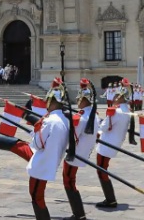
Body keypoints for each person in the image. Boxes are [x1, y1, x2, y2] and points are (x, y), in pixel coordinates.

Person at [26, 78, 70, 220]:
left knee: (36, 197)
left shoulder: (50, 121)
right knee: (37, 196)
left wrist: (36, 130)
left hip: (42, 165)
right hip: (50, 161)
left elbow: (37, 144)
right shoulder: (64, 120)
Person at [63, 78, 101, 220]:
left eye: (79, 98)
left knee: (68, 181)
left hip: (74, 154)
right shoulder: (94, 115)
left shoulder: (81, 117)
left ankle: (78, 214)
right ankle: (78, 213)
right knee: (70, 180)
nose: (77, 100)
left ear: (84, 99)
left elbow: (72, 137)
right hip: (84, 152)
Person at [94, 79, 132, 209]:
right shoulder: (127, 110)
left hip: (107, 143)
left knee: (101, 170)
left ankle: (110, 199)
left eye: (116, 96)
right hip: (115, 142)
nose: (114, 98)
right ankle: (110, 198)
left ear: (120, 97)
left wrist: (97, 126)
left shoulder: (115, 111)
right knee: (102, 169)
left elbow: (104, 128)